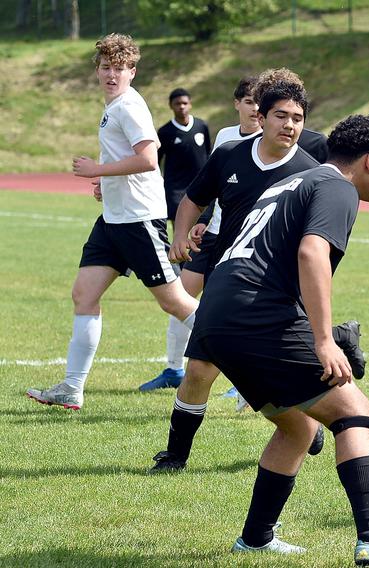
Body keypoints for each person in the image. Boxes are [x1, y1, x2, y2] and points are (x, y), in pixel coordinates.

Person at [189, 113, 369, 564]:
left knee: (298, 425)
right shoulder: (338, 187)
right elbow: (311, 252)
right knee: (353, 412)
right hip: (255, 314)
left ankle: (256, 538)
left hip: (216, 318)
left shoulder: (296, 182)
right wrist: (323, 340)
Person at [147, 69, 364, 472]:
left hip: (278, 288)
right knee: (198, 371)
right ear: (261, 118)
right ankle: (174, 456)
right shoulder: (229, 155)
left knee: (264, 372)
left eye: (298, 118)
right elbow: (194, 199)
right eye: (281, 116)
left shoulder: (309, 170)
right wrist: (181, 235)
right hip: (228, 277)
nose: (290, 125)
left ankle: (309, 413)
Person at [26, 33, 198, 411]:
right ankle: (72, 387)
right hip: (113, 220)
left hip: (138, 220)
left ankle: (244, 357)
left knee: (173, 302)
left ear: (132, 72)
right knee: (84, 294)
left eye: (119, 68)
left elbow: (150, 158)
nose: (111, 74)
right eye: (106, 67)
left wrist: (98, 169)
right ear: (98, 70)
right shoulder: (114, 105)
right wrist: (107, 182)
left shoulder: (129, 106)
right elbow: (131, 162)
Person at [139, 77, 260, 392]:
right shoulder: (225, 136)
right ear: (236, 103)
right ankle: (172, 370)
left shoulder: (270, 142)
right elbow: (213, 183)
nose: (254, 108)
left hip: (241, 240)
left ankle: (244, 377)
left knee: (236, 310)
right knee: (181, 297)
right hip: (211, 235)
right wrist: (203, 219)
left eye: (260, 102)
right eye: (248, 101)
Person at [156, 88, 211, 228]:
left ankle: (197, 251)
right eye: (177, 103)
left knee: (201, 227)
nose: (181, 106)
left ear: (190, 104)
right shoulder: (165, 132)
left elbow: (208, 153)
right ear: (170, 105)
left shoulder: (201, 126)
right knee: (179, 227)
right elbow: (156, 160)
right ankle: (179, 250)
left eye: (185, 103)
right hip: (176, 188)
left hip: (200, 184)